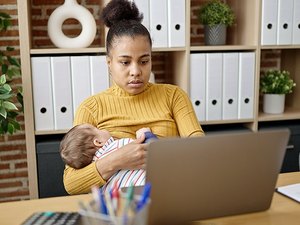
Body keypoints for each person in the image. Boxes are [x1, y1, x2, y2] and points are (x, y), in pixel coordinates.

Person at [63, 0, 205, 195]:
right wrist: (118, 159)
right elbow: (71, 184)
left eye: (144, 61)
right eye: (125, 62)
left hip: (171, 196)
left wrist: (160, 153)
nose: (136, 71)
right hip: (118, 209)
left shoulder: (174, 96)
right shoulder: (91, 108)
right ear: (109, 63)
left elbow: (201, 151)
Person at [60, 124, 156, 192]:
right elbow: (153, 151)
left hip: (122, 201)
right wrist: (146, 134)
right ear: (98, 142)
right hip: (149, 188)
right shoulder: (118, 145)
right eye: (97, 128)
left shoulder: (97, 180)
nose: (104, 129)